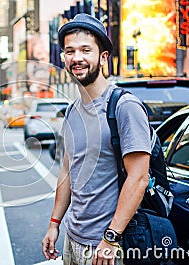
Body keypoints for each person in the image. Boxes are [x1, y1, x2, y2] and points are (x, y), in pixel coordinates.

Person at [41, 13, 151, 265]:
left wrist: (111, 239)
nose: (76, 58)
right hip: (73, 238)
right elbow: (68, 170)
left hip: (108, 244)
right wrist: (54, 224)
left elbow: (138, 178)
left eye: (85, 50)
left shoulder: (124, 106)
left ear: (102, 57)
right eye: (70, 51)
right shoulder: (72, 111)